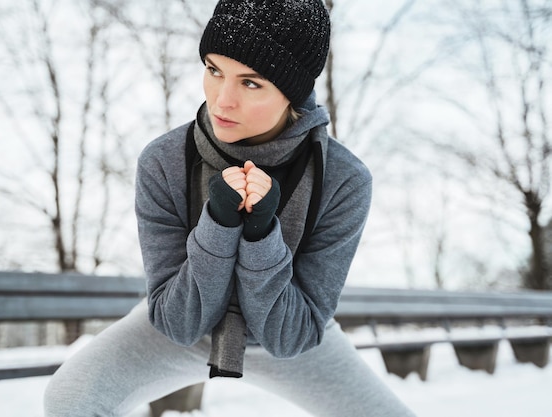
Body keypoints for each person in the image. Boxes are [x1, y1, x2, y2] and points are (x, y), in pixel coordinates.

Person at [44, 0, 416, 416]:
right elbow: (178, 322)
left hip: (290, 331)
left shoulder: (344, 181)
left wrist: (261, 237)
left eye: (250, 83)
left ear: (292, 90)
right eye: (214, 70)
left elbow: (290, 338)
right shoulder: (164, 161)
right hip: (184, 323)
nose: (222, 101)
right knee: (70, 397)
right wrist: (218, 226)